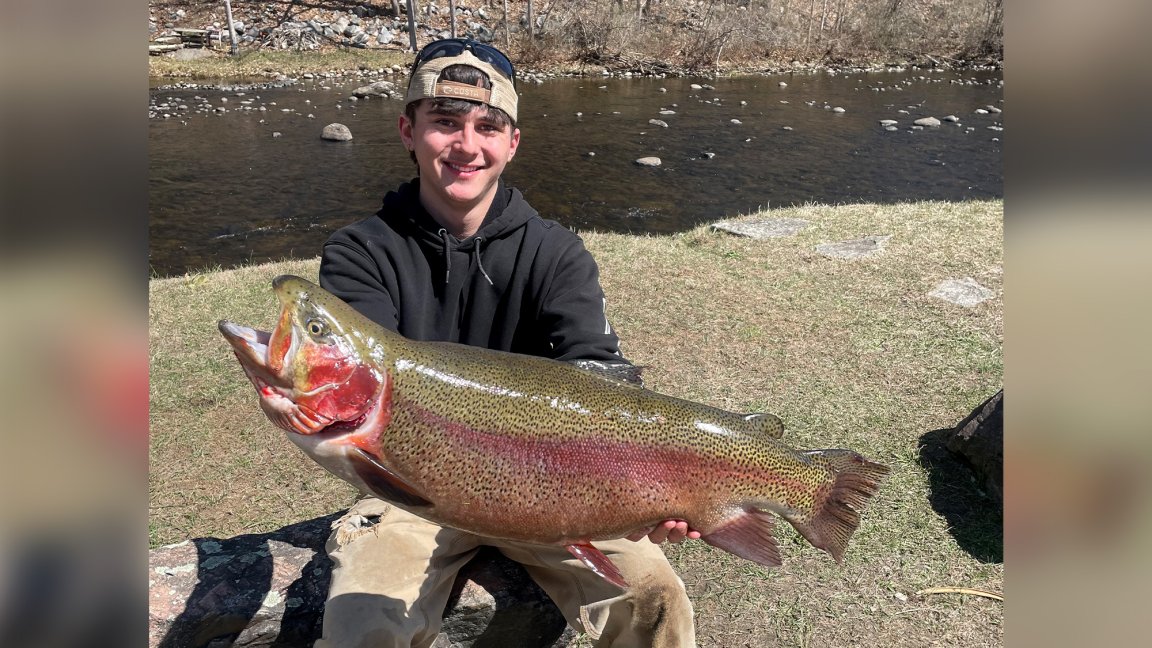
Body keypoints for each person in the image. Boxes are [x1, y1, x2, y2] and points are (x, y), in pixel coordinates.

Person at [266, 38, 699, 647]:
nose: (466, 145)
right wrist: (300, 409)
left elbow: (603, 379)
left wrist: (655, 489)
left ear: (512, 143)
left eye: (487, 126)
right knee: (363, 625)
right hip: (411, 488)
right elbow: (355, 392)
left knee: (656, 598)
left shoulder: (557, 254)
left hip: (559, 485)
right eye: (444, 122)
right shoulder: (360, 253)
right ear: (408, 131)